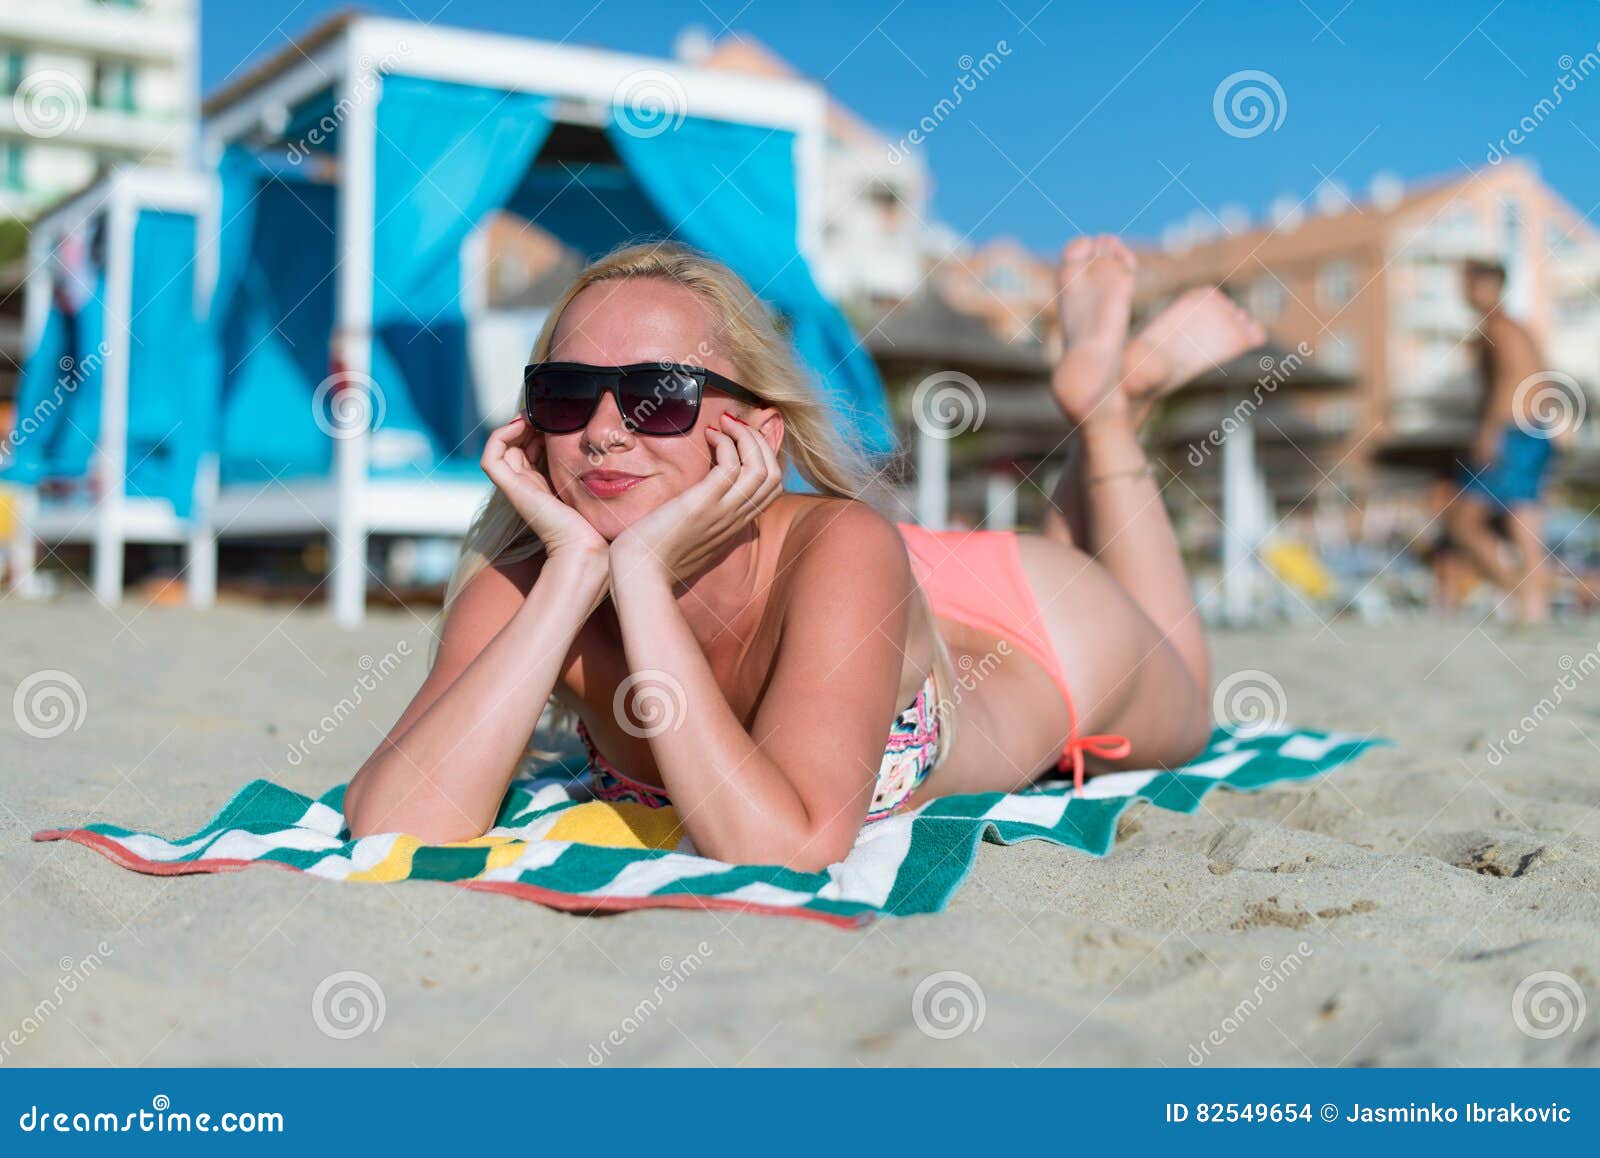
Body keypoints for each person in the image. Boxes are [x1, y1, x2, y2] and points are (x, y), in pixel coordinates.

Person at [342, 238, 1264, 870]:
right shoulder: (535, 575)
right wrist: (584, 573)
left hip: (1034, 631)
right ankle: (1101, 404)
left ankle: (1107, 412)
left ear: (754, 430)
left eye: (658, 394)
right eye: (568, 393)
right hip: (876, 609)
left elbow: (788, 846)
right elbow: (396, 824)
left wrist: (642, 582)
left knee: (1187, 696)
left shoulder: (843, 540)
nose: (605, 431)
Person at [1447, 259, 1557, 625]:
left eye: (1467, 284)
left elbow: (1510, 381)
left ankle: (1520, 592)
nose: (1463, 292)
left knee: (1463, 522)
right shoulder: (1516, 327)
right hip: (1535, 428)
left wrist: (1489, 432)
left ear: (1484, 286)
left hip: (1513, 430)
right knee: (1523, 521)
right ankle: (1534, 609)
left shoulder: (1499, 327)